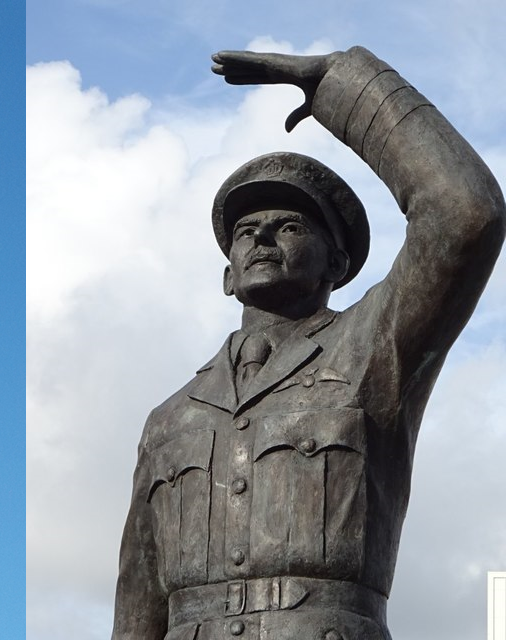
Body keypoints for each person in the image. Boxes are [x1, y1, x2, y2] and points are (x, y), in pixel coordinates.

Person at [112, 47, 506, 639]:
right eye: (246, 232)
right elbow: (136, 617)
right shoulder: (168, 421)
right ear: (228, 274)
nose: (263, 237)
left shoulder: (373, 350)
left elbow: (465, 213)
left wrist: (346, 89)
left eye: (291, 226)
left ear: (337, 261)